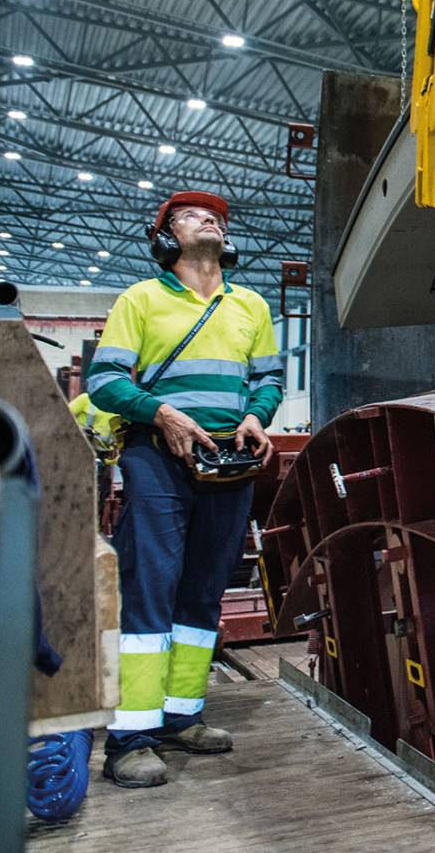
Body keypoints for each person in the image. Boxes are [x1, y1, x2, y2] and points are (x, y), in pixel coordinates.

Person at [87, 190, 283, 788]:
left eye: (217, 217)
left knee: (203, 593)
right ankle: (129, 739)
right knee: (149, 588)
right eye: (192, 215)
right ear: (167, 237)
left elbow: (269, 379)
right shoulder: (141, 299)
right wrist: (162, 413)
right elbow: (104, 381)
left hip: (228, 460)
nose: (210, 219)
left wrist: (257, 416)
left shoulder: (250, 304)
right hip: (159, 457)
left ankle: (181, 717)